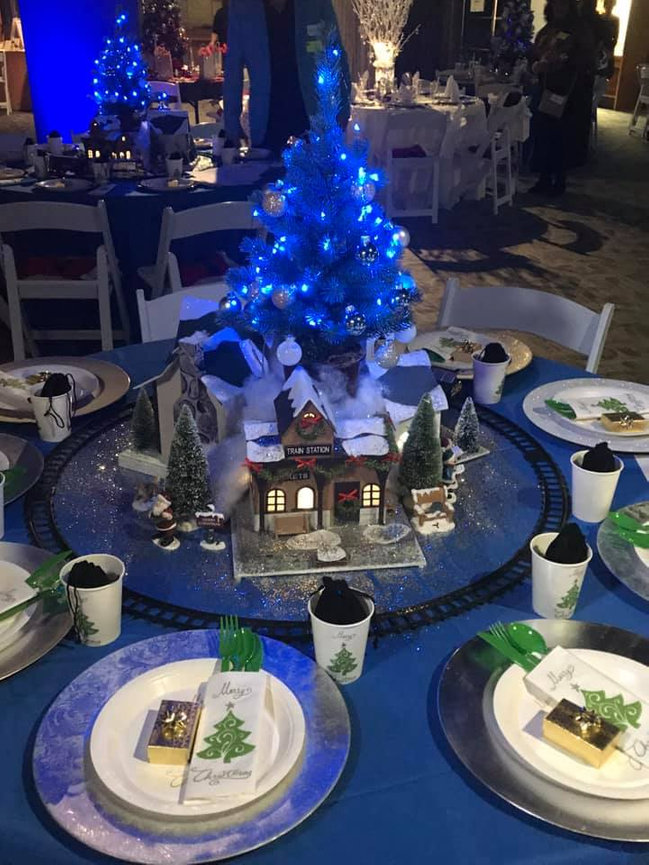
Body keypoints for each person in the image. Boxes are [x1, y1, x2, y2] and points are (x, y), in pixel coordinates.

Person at [223, 0, 350, 154]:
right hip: (266, 122)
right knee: (263, 168)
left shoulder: (315, 4)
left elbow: (337, 54)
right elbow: (233, 71)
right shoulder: (242, 7)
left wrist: (343, 110)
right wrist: (231, 131)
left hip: (310, 116)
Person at [529, 0, 596, 195]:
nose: (559, 8)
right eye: (556, 5)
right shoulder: (548, 29)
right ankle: (543, 179)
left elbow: (586, 59)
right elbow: (535, 52)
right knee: (544, 135)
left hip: (568, 94)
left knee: (561, 138)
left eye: (563, 5)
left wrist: (563, 61)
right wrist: (536, 65)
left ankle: (559, 181)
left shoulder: (580, 30)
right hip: (546, 90)